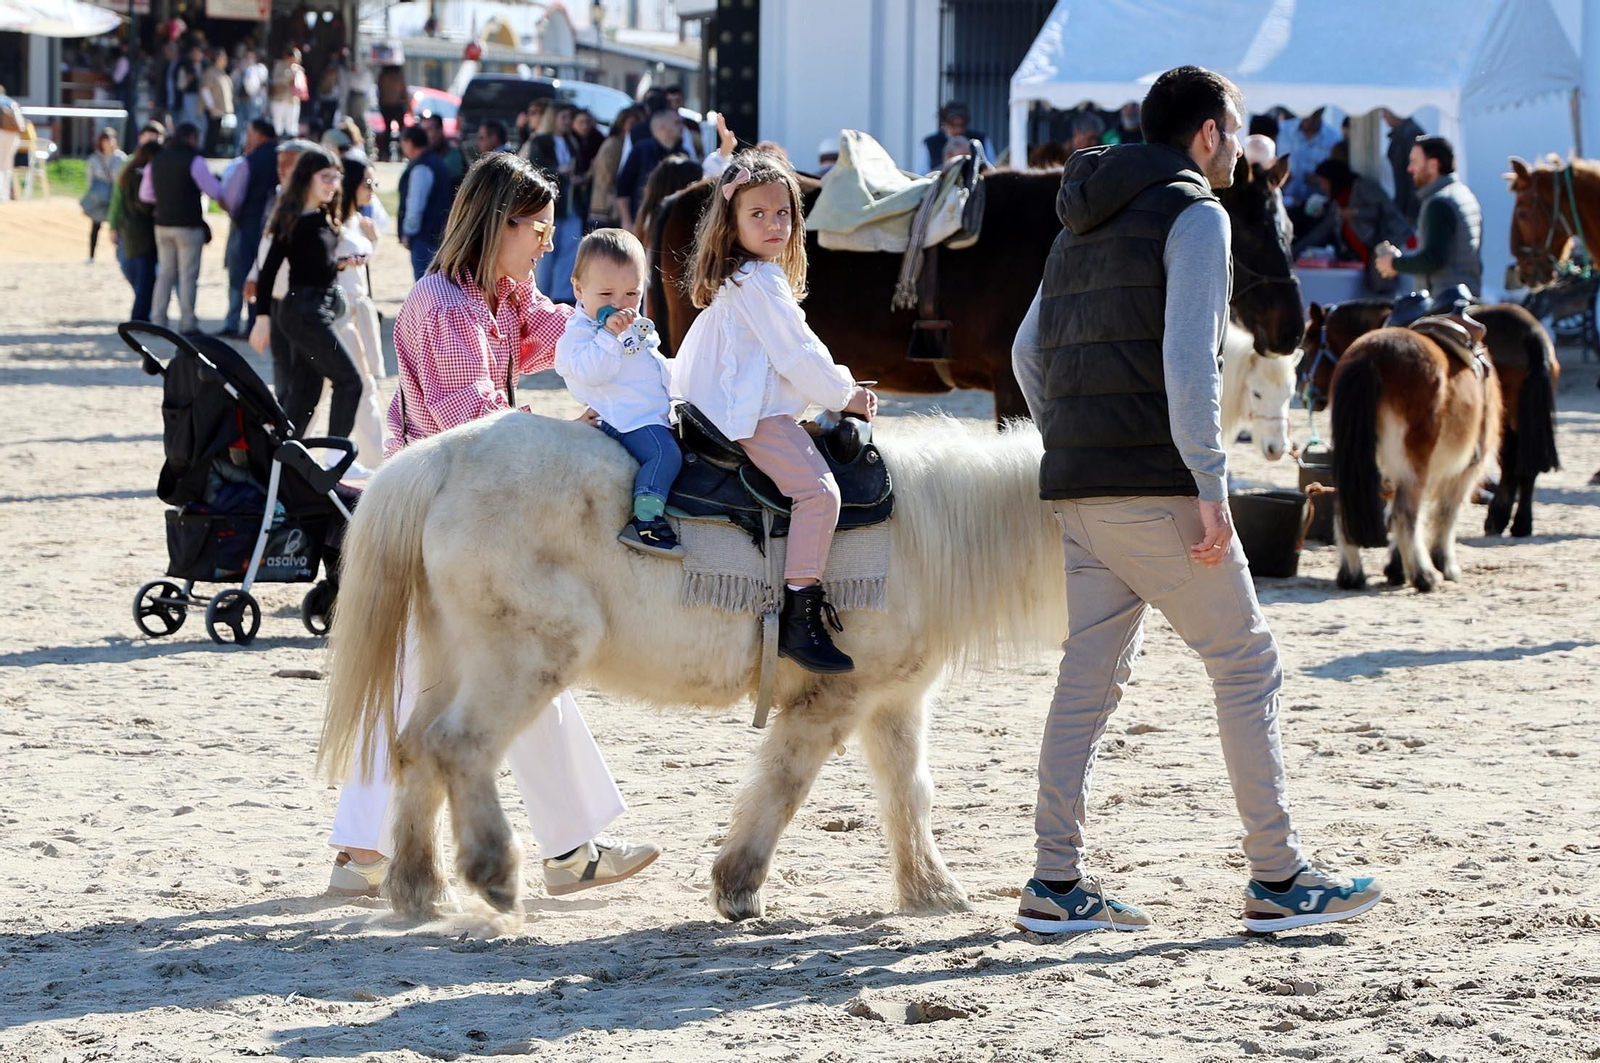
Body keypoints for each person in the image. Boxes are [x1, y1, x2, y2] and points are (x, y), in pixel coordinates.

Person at [1009, 64, 1383, 935]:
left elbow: (1030, 352)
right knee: (1247, 663)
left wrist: (1073, 441)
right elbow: (1189, 364)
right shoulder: (1198, 213)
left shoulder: (1078, 217)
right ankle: (1279, 875)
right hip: (1159, 487)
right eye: (1234, 132)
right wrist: (1210, 485)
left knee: (1086, 680)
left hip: (1079, 485)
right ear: (1210, 134)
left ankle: (1055, 880)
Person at [332, 150, 662, 899]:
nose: (548, 240)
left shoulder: (501, 294)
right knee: (516, 664)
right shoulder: (444, 306)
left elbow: (560, 330)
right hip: (448, 511)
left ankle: (363, 853)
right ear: (497, 223)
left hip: (458, 513)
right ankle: (566, 846)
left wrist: (609, 316)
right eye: (538, 227)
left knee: (438, 679)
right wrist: (570, 433)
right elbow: (470, 422)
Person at [673, 151, 877, 674]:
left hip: (726, 402)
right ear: (733, 223)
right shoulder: (759, 281)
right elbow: (796, 352)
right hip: (750, 416)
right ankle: (799, 612)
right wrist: (844, 394)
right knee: (819, 492)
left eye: (782, 213)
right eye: (757, 215)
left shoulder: (744, 276)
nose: (773, 224)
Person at [555, 228, 683, 555]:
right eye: (606, 295)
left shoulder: (631, 324)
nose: (620, 305)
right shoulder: (580, 334)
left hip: (649, 409)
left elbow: (651, 363)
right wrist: (609, 338)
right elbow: (590, 373)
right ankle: (647, 518)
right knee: (664, 454)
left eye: (631, 295)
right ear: (579, 289)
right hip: (628, 418)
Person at [247, 146, 368, 477]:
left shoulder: (325, 221)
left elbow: (314, 267)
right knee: (350, 381)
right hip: (302, 312)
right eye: (325, 177)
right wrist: (261, 320)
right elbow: (268, 271)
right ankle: (333, 459)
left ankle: (278, 466)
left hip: (316, 310)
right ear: (307, 179)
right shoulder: (294, 221)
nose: (332, 184)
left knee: (304, 396)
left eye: (336, 177)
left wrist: (342, 264)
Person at [326, 155, 387, 465]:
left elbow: (359, 266)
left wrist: (373, 243)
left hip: (356, 311)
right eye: (367, 182)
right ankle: (371, 457)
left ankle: (374, 456)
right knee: (351, 385)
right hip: (338, 314)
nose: (372, 189)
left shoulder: (356, 221)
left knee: (359, 386)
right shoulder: (332, 222)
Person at [140, 122, 226, 336]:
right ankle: (187, 322)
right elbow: (214, 191)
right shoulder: (194, 160)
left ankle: (158, 319)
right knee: (187, 276)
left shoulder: (157, 160)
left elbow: (145, 195)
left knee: (165, 274)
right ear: (191, 138)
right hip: (188, 225)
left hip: (162, 224)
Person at [245, 138, 314, 396]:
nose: (282, 169)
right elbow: (267, 243)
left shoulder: (311, 202)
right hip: (274, 292)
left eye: (289, 163)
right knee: (280, 362)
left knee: (299, 365)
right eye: (280, 163)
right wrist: (255, 274)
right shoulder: (278, 197)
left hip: (298, 295)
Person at [1374, 134, 1482, 297]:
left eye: (1414, 162)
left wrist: (1394, 264)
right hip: (1464, 297)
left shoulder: (1439, 203)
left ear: (1433, 165)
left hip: (1444, 303)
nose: (1409, 169)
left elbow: (1433, 259)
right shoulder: (1464, 194)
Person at [1293, 157, 1411, 279]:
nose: (1322, 187)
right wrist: (1294, 251)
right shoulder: (1337, 202)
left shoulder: (1362, 186)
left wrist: (1356, 213)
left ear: (1333, 179)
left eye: (1323, 182)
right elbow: (1321, 231)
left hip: (1387, 249)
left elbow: (1383, 211)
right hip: (1362, 260)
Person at [217, 117, 278, 337]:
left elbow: (233, 199)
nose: (247, 139)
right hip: (279, 225)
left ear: (260, 135)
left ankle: (250, 323)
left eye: (250, 134)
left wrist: (231, 209)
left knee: (246, 273)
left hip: (250, 224)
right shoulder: (285, 156)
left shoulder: (249, 161)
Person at [530, 103, 583, 302]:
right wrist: (561, 170)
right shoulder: (540, 141)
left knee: (570, 250)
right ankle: (541, 294)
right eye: (564, 117)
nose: (568, 122)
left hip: (571, 203)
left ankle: (562, 295)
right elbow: (537, 169)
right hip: (549, 205)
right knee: (544, 251)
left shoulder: (571, 142)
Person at [106, 140, 161, 320]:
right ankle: (139, 317)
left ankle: (140, 315)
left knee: (140, 277)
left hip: (129, 230)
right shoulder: (140, 175)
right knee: (145, 279)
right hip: (142, 233)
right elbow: (144, 205)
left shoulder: (128, 172)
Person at [615, 108, 684, 233]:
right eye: (677, 122)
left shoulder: (683, 154)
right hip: (642, 224)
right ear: (663, 126)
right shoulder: (641, 151)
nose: (682, 126)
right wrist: (626, 221)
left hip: (673, 224)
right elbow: (623, 188)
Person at [397, 125, 452, 279]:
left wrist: (409, 231)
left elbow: (415, 203)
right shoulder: (436, 162)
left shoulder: (422, 167)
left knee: (424, 287)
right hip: (440, 232)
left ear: (409, 142)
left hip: (424, 236)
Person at [1276, 106, 1342, 219]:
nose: (1310, 120)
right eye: (1306, 115)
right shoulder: (1282, 131)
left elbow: (1337, 176)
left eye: (1315, 116)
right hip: (1283, 204)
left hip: (1316, 209)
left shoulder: (1334, 138)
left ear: (1322, 112)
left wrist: (1320, 179)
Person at [586, 105, 642, 229]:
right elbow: (609, 176)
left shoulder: (624, 144)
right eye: (632, 123)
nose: (635, 127)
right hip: (605, 209)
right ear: (622, 124)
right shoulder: (614, 144)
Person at [82, 128, 126, 262]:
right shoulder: (94, 158)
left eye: (111, 139)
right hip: (100, 198)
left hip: (116, 196)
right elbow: (89, 179)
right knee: (96, 225)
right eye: (106, 140)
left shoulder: (121, 158)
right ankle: (91, 256)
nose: (108, 143)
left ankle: (120, 256)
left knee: (118, 226)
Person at [1379, 107, 1427, 223]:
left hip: (1407, 213)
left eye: (1385, 111)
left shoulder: (1411, 135)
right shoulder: (1402, 134)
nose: (1383, 117)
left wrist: (1412, 213)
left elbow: (1417, 177)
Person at [923, 101, 984, 173]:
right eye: (953, 125)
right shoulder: (930, 143)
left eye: (962, 124)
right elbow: (922, 174)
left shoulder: (980, 140)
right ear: (944, 123)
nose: (959, 130)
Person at [199, 48, 234, 156]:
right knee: (211, 131)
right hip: (213, 108)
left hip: (220, 108)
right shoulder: (210, 72)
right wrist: (211, 106)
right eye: (222, 58)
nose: (225, 60)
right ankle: (208, 151)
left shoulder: (222, 73)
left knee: (216, 131)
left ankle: (213, 150)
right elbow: (205, 90)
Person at [233, 48, 269, 152]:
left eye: (251, 57)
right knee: (239, 127)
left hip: (254, 102)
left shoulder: (260, 69)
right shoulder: (239, 69)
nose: (249, 59)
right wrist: (239, 69)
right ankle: (237, 150)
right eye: (247, 56)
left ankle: (252, 149)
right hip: (240, 101)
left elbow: (262, 84)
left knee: (253, 127)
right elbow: (232, 82)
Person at [269, 47, 306, 137]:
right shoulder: (279, 66)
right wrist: (288, 76)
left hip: (293, 100)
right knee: (277, 126)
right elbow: (275, 81)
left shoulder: (299, 69)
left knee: (292, 127)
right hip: (279, 99)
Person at [421, 112, 464, 187]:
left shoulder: (453, 155)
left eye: (429, 130)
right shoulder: (424, 154)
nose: (424, 135)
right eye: (422, 131)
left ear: (440, 130)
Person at [375, 64, 407, 159]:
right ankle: (402, 153)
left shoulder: (383, 76)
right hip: (397, 105)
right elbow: (404, 93)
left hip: (386, 105)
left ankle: (386, 154)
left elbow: (380, 90)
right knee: (402, 130)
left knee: (387, 131)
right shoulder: (399, 77)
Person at [0, 85, 20, 202]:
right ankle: (5, 195)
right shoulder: (11, 102)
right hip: (13, 136)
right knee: (7, 165)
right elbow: (20, 123)